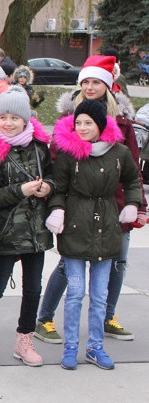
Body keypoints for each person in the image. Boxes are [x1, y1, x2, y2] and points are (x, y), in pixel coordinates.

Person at [36, 55, 147, 343]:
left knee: (118, 262)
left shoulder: (122, 123)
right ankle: (44, 318)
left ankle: (107, 316)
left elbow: (133, 170)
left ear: (108, 85)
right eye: (85, 81)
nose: (89, 86)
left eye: (96, 81)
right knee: (68, 265)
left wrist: (139, 207)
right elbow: (57, 166)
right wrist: (58, 206)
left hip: (116, 204)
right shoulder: (69, 120)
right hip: (78, 204)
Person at [46, 99, 141, 370]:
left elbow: (133, 180)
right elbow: (58, 187)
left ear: (100, 124)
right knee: (75, 292)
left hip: (107, 227)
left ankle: (96, 347)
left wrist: (133, 204)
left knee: (99, 296)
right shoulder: (68, 155)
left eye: (88, 122)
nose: (82, 127)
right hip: (76, 227)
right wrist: (57, 210)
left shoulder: (119, 153)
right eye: (78, 123)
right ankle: (71, 347)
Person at [0, 86, 54, 369]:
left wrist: (48, 188)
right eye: (2, 116)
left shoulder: (40, 147)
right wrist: (22, 189)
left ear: (26, 119)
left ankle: (25, 340)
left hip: (36, 229)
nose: (8, 122)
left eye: (14, 117)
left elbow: (54, 178)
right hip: (5, 229)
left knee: (33, 288)